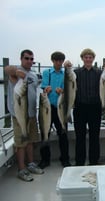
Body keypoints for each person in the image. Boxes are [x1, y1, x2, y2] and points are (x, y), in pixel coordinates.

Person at [5, 49, 44, 182]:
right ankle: (21, 169)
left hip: (32, 114)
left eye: (31, 59)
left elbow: (37, 89)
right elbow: (7, 69)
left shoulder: (32, 75)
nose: (29, 61)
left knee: (31, 140)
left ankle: (31, 164)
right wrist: (16, 72)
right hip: (19, 115)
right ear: (21, 59)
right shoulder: (16, 72)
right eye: (26, 58)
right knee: (21, 143)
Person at [73, 48, 105, 166]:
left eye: (90, 57)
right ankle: (80, 161)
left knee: (94, 136)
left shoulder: (99, 73)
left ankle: (94, 161)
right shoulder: (76, 72)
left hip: (95, 107)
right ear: (82, 58)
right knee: (80, 136)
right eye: (86, 57)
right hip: (79, 107)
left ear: (93, 59)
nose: (88, 59)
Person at [38, 51, 71, 168]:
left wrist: (62, 90)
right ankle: (45, 159)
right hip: (47, 107)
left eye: (60, 60)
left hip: (60, 108)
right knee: (44, 133)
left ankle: (65, 159)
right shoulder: (47, 72)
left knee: (63, 134)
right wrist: (47, 88)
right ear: (52, 61)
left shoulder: (64, 74)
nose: (58, 63)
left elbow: (67, 88)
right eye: (56, 60)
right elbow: (44, 86)